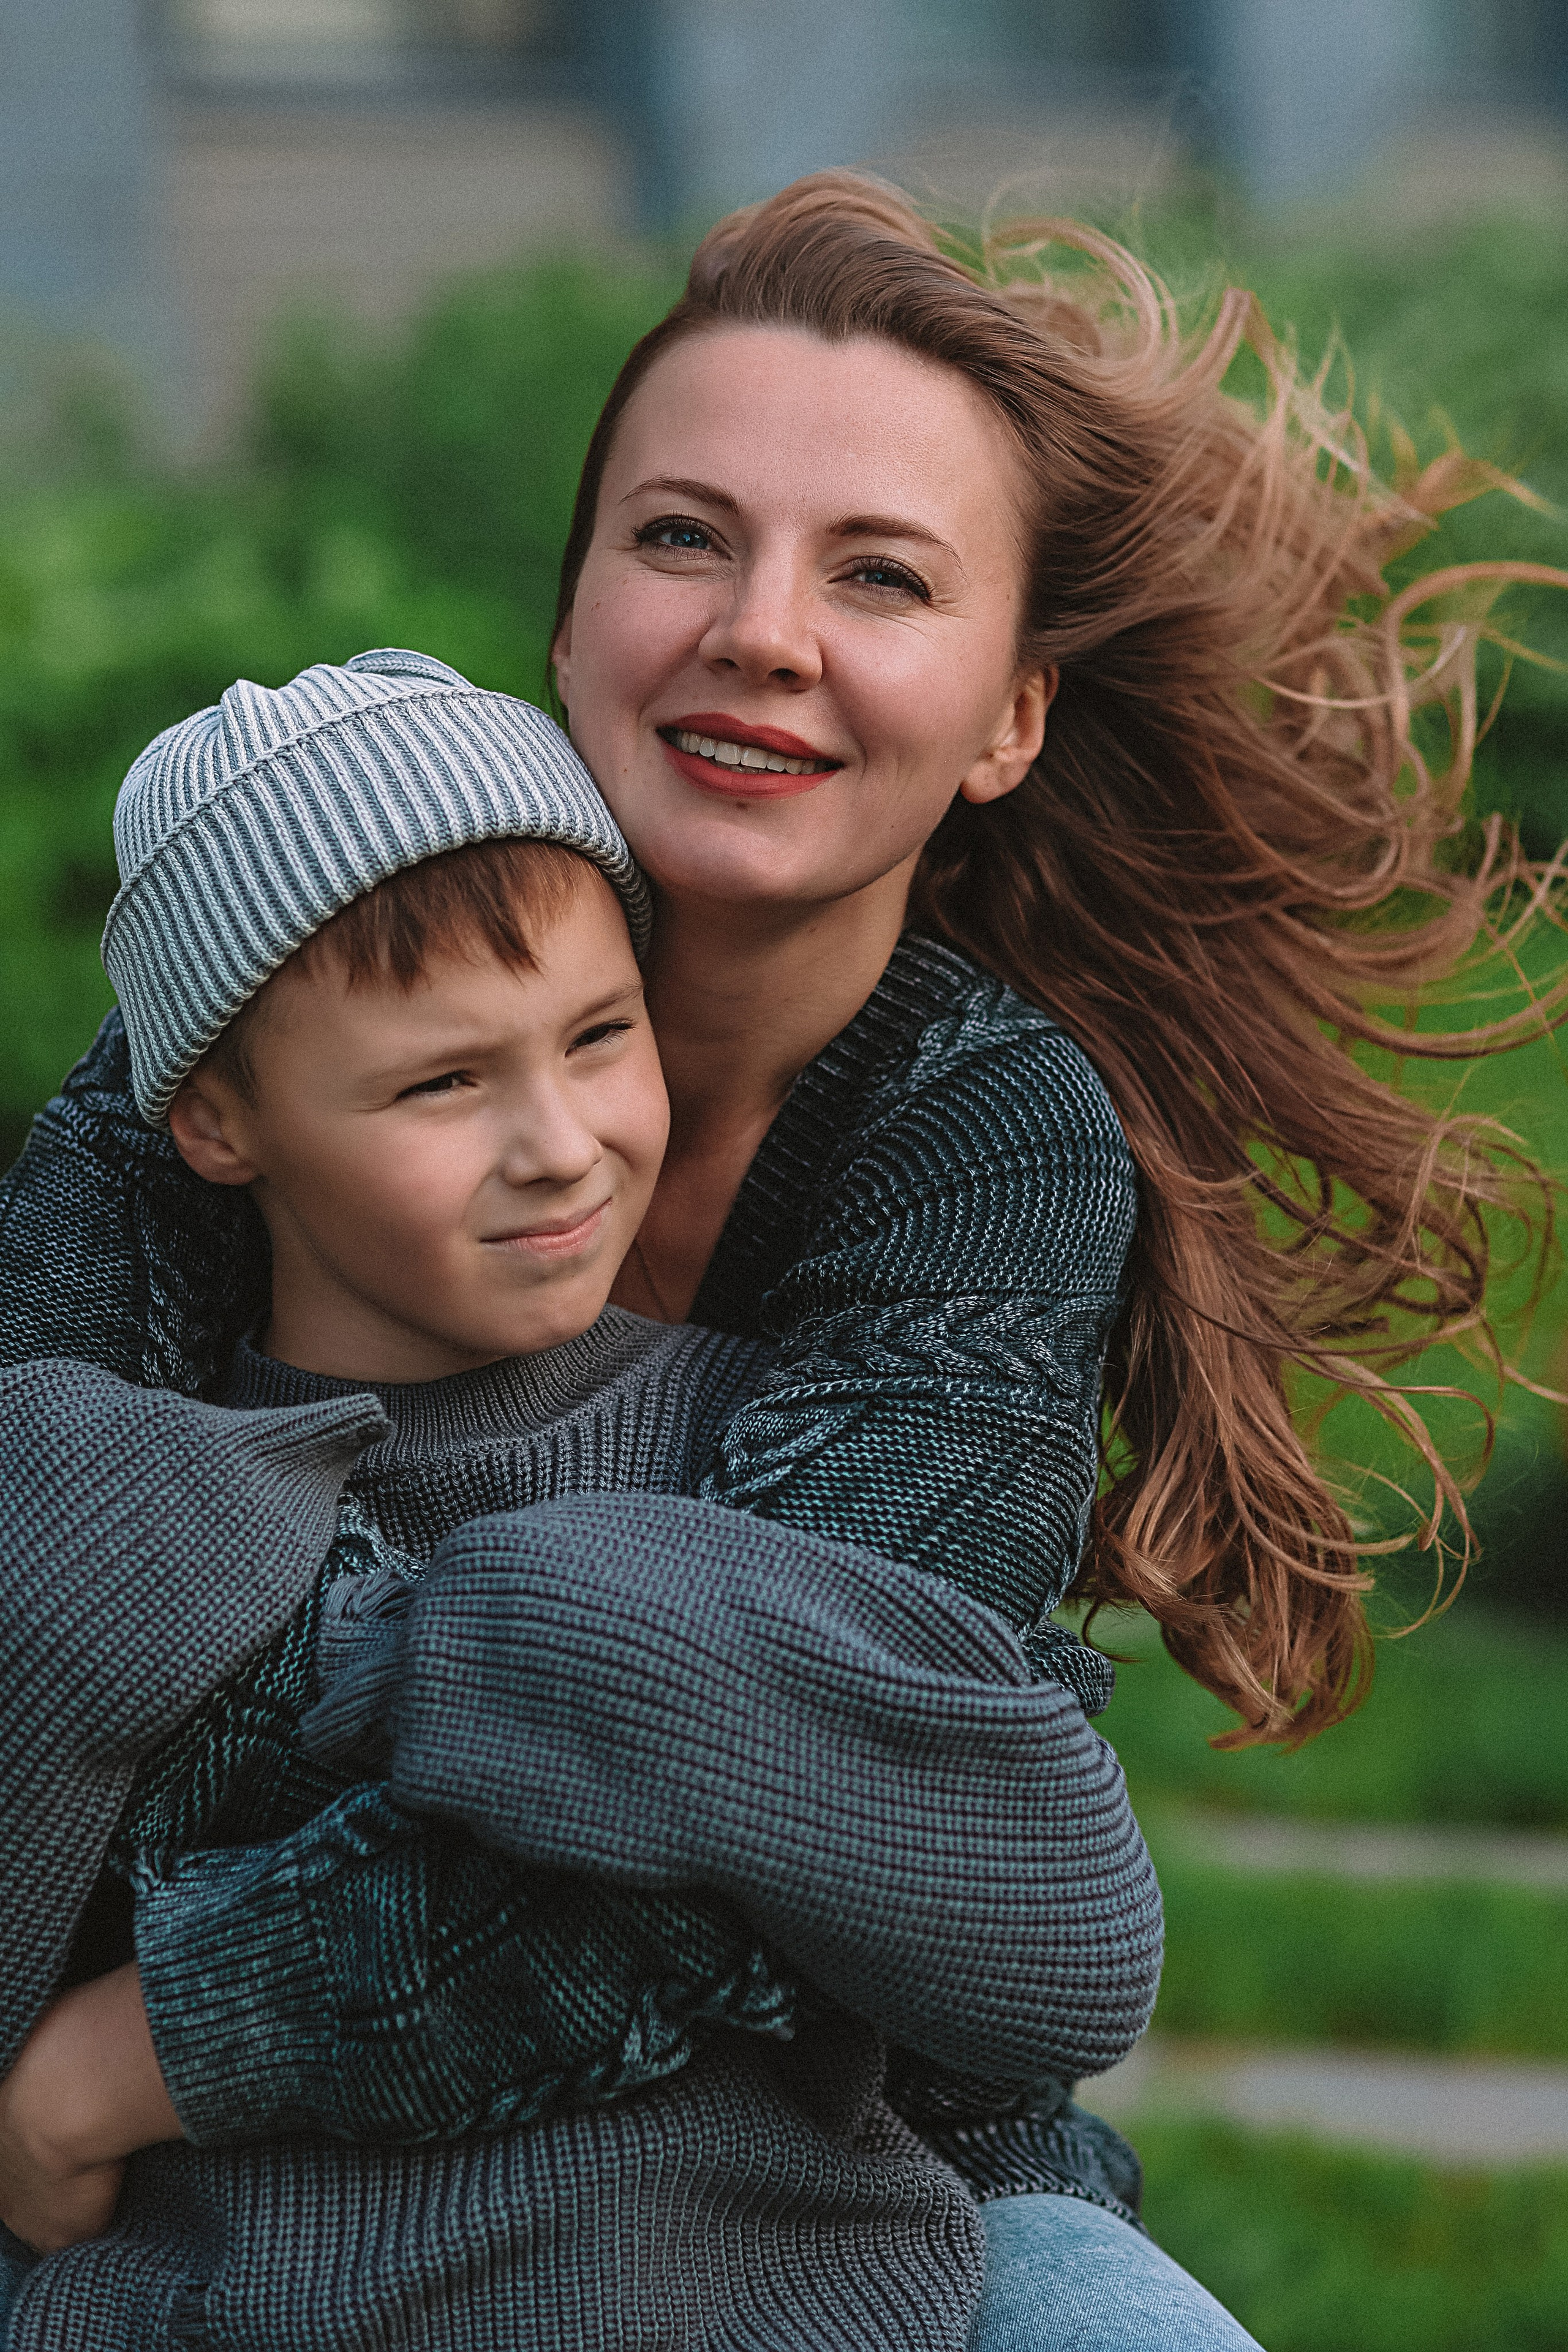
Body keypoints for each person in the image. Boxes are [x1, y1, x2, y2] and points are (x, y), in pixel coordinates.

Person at [2, 167, 1561, 2345]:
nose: (760, 626)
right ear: (568, 629)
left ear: (1007, 717)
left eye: (882, 574)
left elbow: (837, 1852)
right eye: (681, 536)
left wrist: (140, 2044)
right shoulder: (269, 1004)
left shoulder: (986, 1147)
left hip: (840, 2167)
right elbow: (43, 1598)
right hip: (215, 2221)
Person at [0, 654, 1166, 2351]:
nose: (561, 1142)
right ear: (215, 1123)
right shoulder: (111, 1493)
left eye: (601, 1036)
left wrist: (516, 1626)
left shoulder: (762, 1464)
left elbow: (1060, 1931)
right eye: (441, 1082)